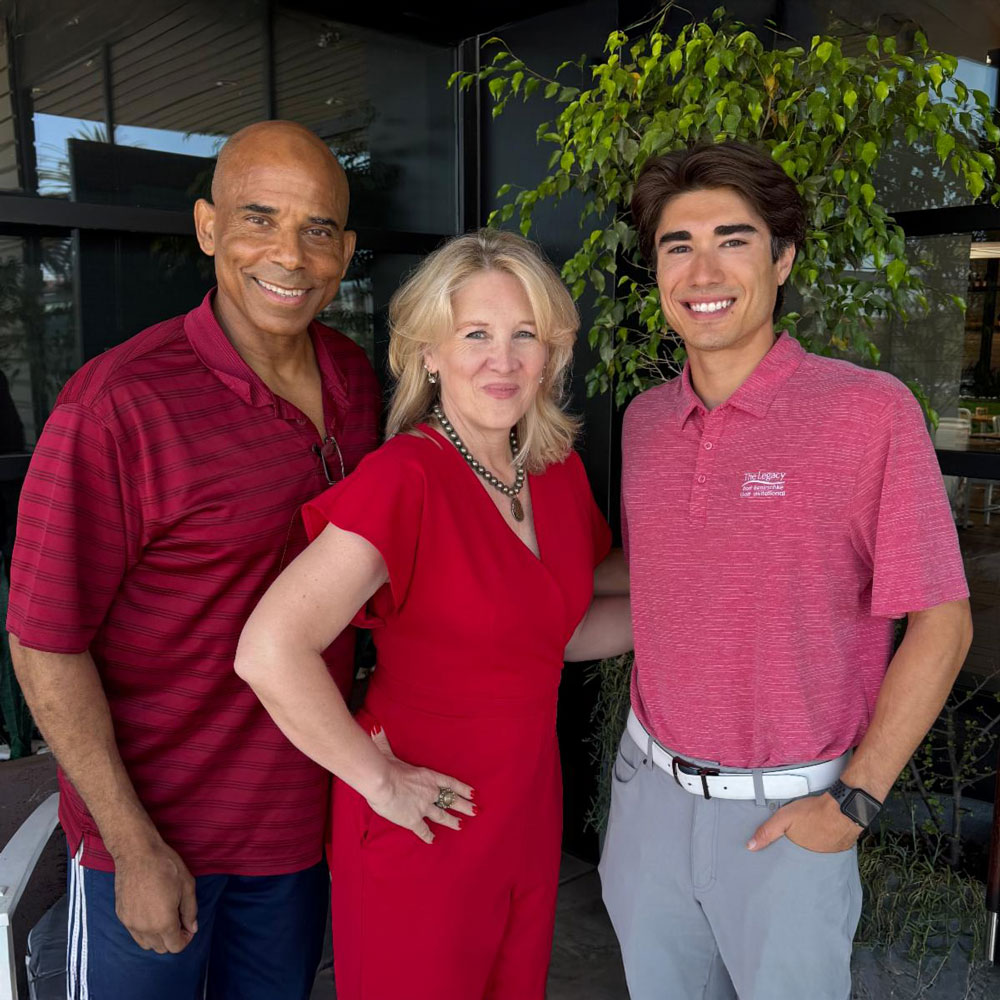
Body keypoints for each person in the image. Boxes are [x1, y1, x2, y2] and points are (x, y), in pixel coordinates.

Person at [6, 120, 380, 1000]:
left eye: (318, 229)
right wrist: (131, 846)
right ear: (208, 228)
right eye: (259, 219)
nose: (289, 254)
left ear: (348, 250)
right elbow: (43, 644)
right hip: (155, 838)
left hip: (298, 829)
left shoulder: (354, 379)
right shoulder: (117, 405)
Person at [600, 140, 972, 1000]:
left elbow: (943, 623)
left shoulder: (867, 412)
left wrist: (856, 803)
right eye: (675, 244)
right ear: (656, 268)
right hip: (648, 797)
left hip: (793, 815)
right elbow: (658, 579)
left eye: (733, 238)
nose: (703, 269)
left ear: (783, 256)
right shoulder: (647, 424)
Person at [235, 227, 632, 1000]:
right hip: (422, 817)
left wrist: (703, 606)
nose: (504, 358)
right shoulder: (406, 479)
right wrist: (376, 779)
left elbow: (556, 631)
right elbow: (268, 648)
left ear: (551, 353)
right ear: (428, 352)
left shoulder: (552, 474)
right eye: (475, 334)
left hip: (524, 807)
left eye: (526, 335)